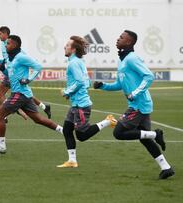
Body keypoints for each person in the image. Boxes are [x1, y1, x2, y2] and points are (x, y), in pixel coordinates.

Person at [94, 30, 174, 179]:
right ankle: (166, 167)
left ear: (129, 42)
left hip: (138, 105)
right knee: (145, 139)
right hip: (140, 105)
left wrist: (135, 93)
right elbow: (120, 84)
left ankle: (156, 134)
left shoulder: (132, 58)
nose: (118, 39)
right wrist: (103, 86)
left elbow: (149, 76)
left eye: (121, 37)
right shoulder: (122, 60)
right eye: (118, 36)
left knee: (118, 133)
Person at [0, 35, 64, 154]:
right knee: (38, 119)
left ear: (15, 45)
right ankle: (63, 131)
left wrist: (28, 79)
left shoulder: (21, 57)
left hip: (20, 94)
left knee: (0, 115)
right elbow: (11, 74)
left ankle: (1, 146)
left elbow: (38, 66)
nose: (6, 45)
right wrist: (3, 69)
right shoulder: (10, 59)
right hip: (25, 95)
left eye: (8, 43)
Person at [56, 36, 117, 168]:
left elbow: (79, 82)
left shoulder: (73, 63)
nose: (64, 47)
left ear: (72, 49)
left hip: (81, 106)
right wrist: (71, 93)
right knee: (67, 130)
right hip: (76, 104)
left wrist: (67, 92)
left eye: (67, 45)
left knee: (81, 136)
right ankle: (72, 160)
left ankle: (108, 121)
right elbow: (87, 82)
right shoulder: (79, 61)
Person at [0, 26, 51, 121]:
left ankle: (6, 115)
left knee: (3, 92)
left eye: (0, 33)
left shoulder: (16, 49)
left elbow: (22, 58)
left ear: (6, 34)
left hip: (13, 71)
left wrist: (28, 77)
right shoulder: (3, 45)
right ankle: (44, 106)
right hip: (10, 69)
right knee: (24, 93)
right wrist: (0, 61)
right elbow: (7, 59)